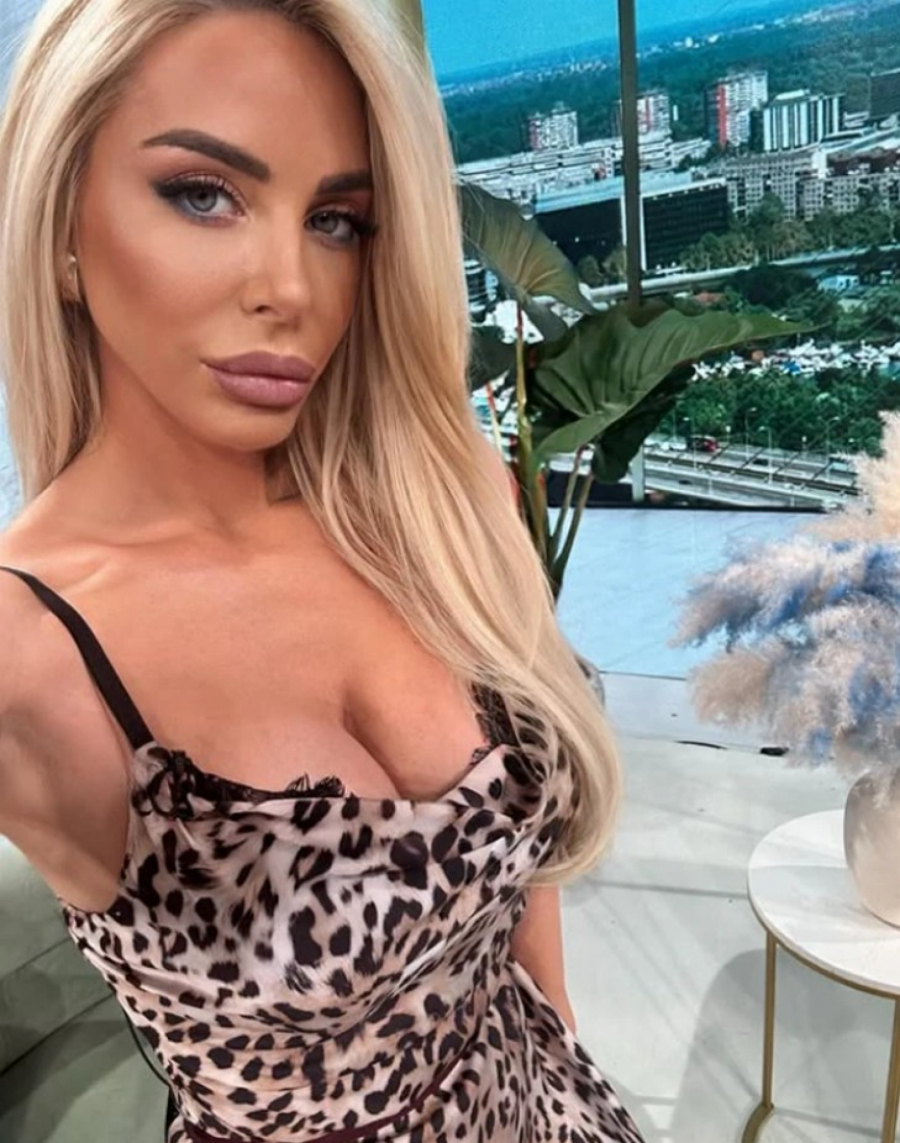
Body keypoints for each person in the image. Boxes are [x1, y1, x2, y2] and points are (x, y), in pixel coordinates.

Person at [0, 2, 644, 1141]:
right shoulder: (29, 643)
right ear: (58, 225)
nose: (291, 288)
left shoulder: (439, 497)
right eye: (202, 194)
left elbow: (523, 874)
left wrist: (559, 1031)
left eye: (337, 220)